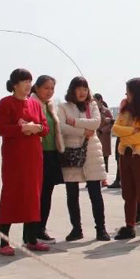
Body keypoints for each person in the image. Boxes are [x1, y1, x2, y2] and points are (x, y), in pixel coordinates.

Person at [0, 68, 50, 255]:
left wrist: (37, 128)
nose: (28, 85)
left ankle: (31, 239)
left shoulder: (35, 104)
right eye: (24, 81)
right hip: (14, 158)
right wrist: (22, 129)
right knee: (11, 196)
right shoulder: (6, 103)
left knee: (33, 197)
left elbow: (45, 128)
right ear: (15, 84)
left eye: (29, 81)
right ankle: (4, 242)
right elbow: (2, 128)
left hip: (34, 158)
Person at [58, 76, 109, 242]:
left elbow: (95, 123)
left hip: (92, 152)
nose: (82, 92)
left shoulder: (92, 105)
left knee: (95, 193)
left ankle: (101, 229)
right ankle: (76, 229)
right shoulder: (63, 106)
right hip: (72, 152)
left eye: (85, 89)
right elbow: (61, 127)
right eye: (79, 88)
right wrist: (82, 131)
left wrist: (74, 122)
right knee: (72, 195)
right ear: (72, 90)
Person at [112, 78, 140, 241]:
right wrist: (132, 130)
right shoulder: (124, 111)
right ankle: (129, 225)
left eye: (129, 92)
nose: (126, 95)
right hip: (125, 155)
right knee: (128, 193)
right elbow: (115, 128)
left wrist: (126, 138)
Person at [30, 75, 64, 243]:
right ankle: (33, 230)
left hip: (52, 153)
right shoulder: (31, 104)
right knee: (37, 194)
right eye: (46, 88)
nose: (49, 92)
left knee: (47, 193)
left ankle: (41, 228)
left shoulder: (50, 106)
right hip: (37, 154)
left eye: (52, 89)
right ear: (36, 88)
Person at [94, 93, 114, 187]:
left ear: (100, 100)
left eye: (95, 100)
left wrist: (102, 130)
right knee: (94, 160)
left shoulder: (106, 111)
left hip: (104, 137)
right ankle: (94, 180)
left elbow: (111, 123)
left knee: (104, 159)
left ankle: (104, 180)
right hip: (94, 137)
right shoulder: (92, 111)